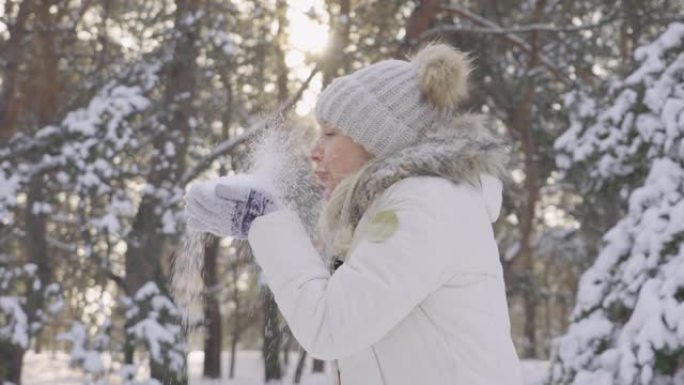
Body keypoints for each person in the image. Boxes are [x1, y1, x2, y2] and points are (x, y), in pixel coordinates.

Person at [184, 43, 524, 385]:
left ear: (379, 138)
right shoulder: (400, 209)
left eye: (330, 133)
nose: (314, 152)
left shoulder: (426, 205)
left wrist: (264, 222)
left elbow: (331, 328)